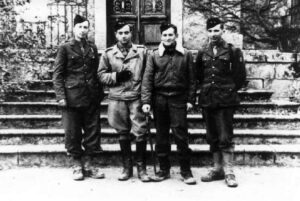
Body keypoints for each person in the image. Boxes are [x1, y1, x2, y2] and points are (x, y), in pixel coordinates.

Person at [141, 23, 197, 185]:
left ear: (176, 36)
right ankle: (164, 169)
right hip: (159, 99)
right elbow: (147, 80)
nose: (167, 38)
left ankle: (186, 171)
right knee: (161, 136)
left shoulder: (185, 55)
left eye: (170, 35)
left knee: (180, 135)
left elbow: (192, 80)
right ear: (161, 37)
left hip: (178, 98)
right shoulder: (153, 55)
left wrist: (190, 100)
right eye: (164, 35)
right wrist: (146, 101)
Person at [195, 17, 246, 187]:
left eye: (216, 30)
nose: (213, 34)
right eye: (210, 31)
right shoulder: (202, 52)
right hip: (208, 100)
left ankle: (229, 171)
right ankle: (217, 169)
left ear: (223, 31)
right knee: (212, 136)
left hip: (225, 101)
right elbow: (199, 76)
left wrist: (228, 90)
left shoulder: (232, 51)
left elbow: (240, 77)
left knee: (225, 136)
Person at [53, 14, 105, 181]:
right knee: (72, 133)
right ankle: (76, 165)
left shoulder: (92, 48)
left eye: (85, 27)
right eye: (80, 27)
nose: (83, 30)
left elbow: (97, 72)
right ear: (74, 29)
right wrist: (61, 97)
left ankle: (89, 165)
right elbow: (58, 75)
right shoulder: (65, 48)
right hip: (71, 98)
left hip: (91, 97)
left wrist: (99, 94)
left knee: (92, 132)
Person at [98, 21, 151, 182]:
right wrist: (115, 76)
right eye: (120, 33)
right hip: (117, 98)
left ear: (131, 34)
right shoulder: (108, 54)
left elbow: (148, 75)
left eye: (126, 33)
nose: (124, 36)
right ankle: (126, 167)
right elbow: (100, 75)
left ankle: (141, 167)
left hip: (136, 98)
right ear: (115, 35)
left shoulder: (142, 52)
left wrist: (146, 98)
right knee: (122, 132)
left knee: (140, 132)